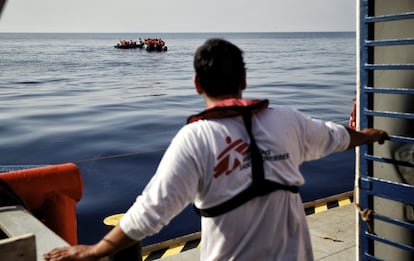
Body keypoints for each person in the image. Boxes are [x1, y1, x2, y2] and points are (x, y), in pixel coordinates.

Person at [43, 38, 388, 261]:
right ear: (244, 79)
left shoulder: (194, 139)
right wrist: (370, 135)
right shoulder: (288, 121)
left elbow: (150, 212)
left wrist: (98, 249)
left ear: (197, 84)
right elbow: (337, 137)